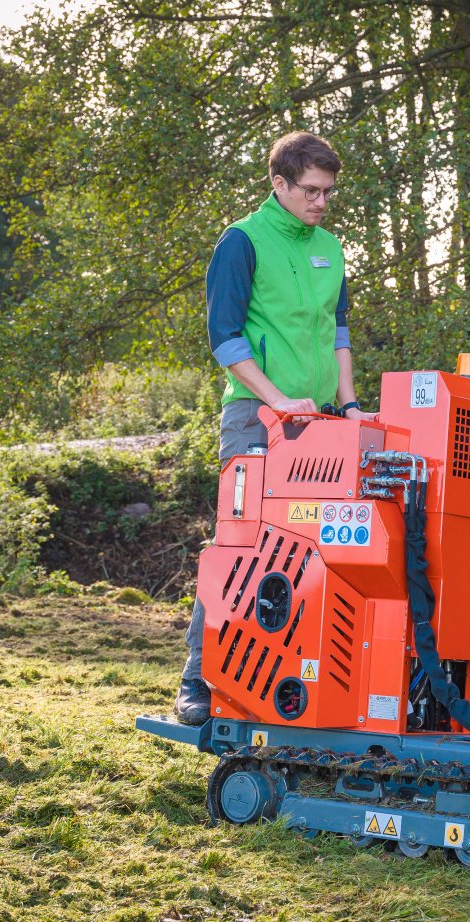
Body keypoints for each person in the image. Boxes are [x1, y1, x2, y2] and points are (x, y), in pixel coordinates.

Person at [175, 130, 370, 725]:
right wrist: (278, 399)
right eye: (310, 190)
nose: (321, 202)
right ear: (279, 184)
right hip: (256, 418)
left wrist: (351, 405)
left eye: (329, 192)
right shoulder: (242, 242)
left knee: (321, 553)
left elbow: (337, 335)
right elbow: (225, 339)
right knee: (241, 550)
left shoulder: (331, 248)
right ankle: (199, 683)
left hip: (325, 425)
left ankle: (290, 689)